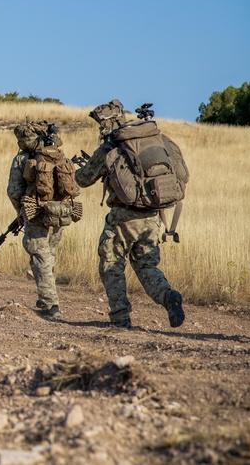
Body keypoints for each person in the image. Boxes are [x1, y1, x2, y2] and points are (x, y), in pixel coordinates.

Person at [75, 100, 189, 329]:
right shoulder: (160, 140)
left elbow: (83, 179)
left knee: (112, 264)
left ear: (104, 124)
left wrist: (87, 167)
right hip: (153, 217)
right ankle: (168, 296)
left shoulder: (111, 146)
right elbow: (183, 175)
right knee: (147, 266)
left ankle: (120, 318)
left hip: (123, 219)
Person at [6, 122, 80, 320]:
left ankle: (51, 304)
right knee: (49, 253)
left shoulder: (22, 158)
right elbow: (75, 188)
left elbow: (13, 191)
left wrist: (20, 212)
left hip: (35, 211)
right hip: (60, 212)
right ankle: (46, 296)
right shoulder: (59, 155)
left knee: (41, 256)